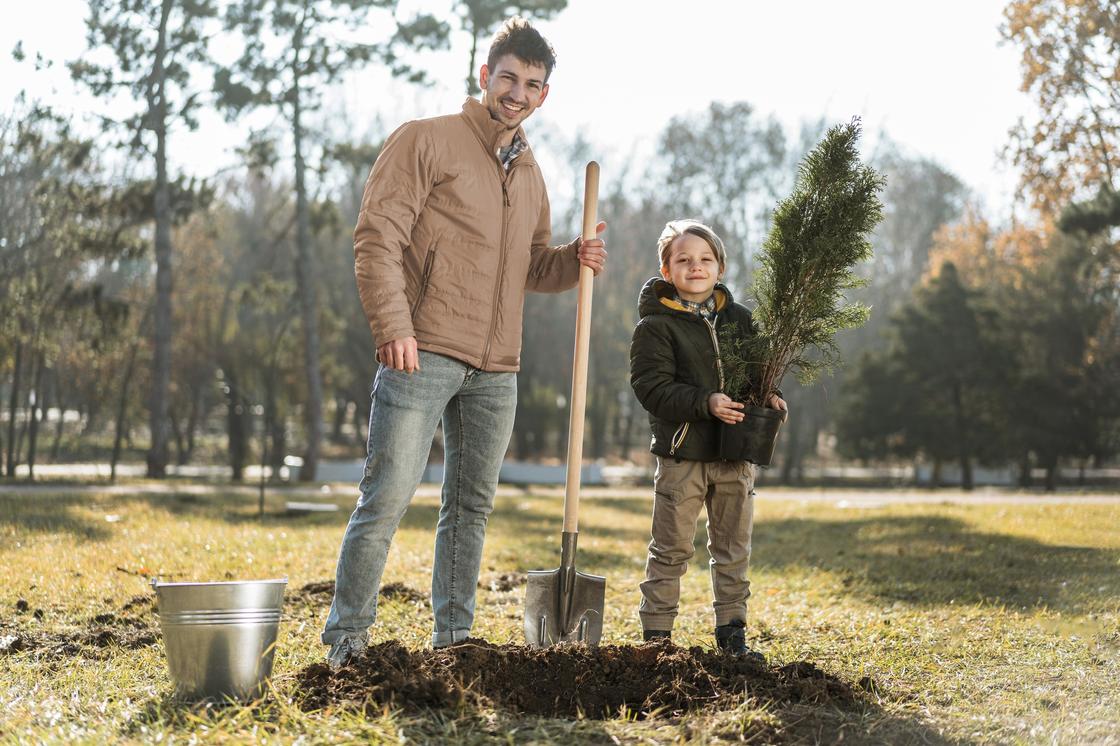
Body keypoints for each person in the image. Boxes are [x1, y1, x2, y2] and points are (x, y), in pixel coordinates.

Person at [323, 17, 607, 669]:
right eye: (507, 77)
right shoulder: (427, 141)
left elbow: (531, 267)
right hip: (421, 351)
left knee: (470, 507)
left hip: (496, 368)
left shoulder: (530, 174)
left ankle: (454, 639)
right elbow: (377, 237)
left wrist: (574, 259)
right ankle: (346, 642)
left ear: (543, 96)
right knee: (388, 494)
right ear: (485, 77)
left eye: (532, 84)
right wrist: (393, 324)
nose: (517, 92)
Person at [629, 219, 785, 659]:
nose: (695, 266)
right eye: (683, 259)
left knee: (733, 546)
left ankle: (732, 634)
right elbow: (651, 388)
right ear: (666, 269)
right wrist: (706, 402)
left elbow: (756, 375)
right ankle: (656, 639)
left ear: (719, 267)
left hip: (737, 452)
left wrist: (771, 395)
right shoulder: (656, 327)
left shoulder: (740, 321)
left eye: (705, 259)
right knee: (672, 548)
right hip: (683, 455)